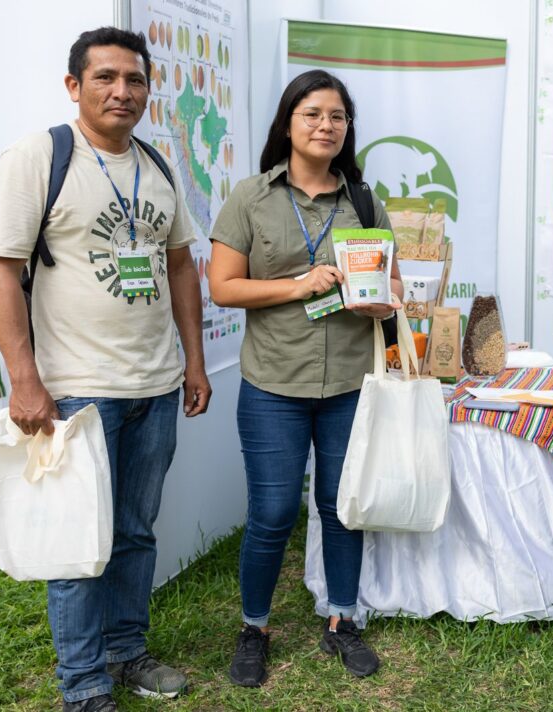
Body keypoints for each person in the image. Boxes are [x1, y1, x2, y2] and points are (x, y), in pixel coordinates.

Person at [0, 27, 211, 712]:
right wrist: (25, 380)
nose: (123, 91)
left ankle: (125, 652)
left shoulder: (159, 166)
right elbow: (0, 269)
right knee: (77, 541)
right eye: (106, 77)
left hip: (154, 385)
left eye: (135, 79)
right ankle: (83, 687)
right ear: (74, 85)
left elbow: (179, 267)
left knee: (136, 532)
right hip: (77, 389)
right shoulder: (40, 156)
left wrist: (193, 362)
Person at [208, 69, 403, 687]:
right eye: (313, 114)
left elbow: (392, 286)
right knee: (271, 512)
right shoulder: (251, 197)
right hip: (274, 384)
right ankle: (254, 627)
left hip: (351, 382)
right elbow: (223, 287)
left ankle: (343, 621)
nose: (326, 126)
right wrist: (300, 285)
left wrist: (380, 302)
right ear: (288, 123)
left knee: (342, 508)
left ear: (348, 129)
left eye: (337, 117)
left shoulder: (365, 202)